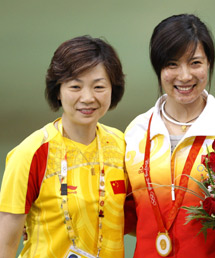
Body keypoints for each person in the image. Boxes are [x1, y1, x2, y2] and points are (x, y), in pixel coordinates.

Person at [124, 14, 215, 257]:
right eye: (172, 64)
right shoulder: (136, 132)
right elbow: (126, 216)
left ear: (209, 63)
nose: (184, 76)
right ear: (158, 67)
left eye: (195, 63)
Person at [0, 36, 128, 258]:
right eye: (75, 86)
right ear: (58, 91)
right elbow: (6, 244)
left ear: (112, 90)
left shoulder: (122, 146)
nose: (87, 98)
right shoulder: (31, 153)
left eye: (99, 87)